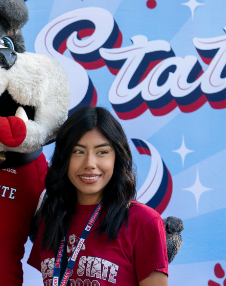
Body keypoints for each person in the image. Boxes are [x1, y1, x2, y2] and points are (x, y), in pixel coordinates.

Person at [28, 106, 168, 286]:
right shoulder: (50, 218)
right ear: (64, 158)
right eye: (78, 151)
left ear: (117, 157)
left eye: (102, 152)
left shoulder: (143, 222)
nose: (90, 164)